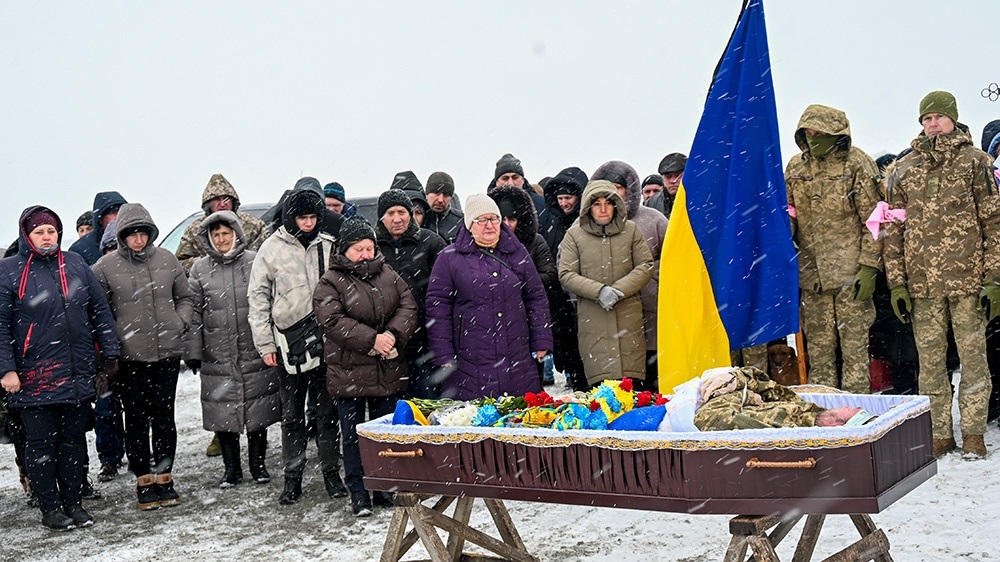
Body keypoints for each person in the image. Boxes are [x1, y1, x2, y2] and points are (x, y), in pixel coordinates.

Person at [884, 91, 999, 459]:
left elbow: (994, 223)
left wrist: (994, 279)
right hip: (923, 285)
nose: (932, 124)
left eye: (938, 117)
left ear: (953, 118)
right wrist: (897, 282)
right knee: (930, 364)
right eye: (926, 118)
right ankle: (939, 433)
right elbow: (892, 230)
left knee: (973, 360)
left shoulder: (976, 163)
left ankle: (974, 433)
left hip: (968, 280)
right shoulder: (904, 169)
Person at [0, 206, 119, 530]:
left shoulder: (75, 263)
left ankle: (74, 504)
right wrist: (6, 370)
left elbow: (99, 311)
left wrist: (109, 354)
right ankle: (50, 508)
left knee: (73, 442)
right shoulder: (10, 270)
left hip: (76, 372)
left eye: (51, 231)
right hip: (32, 377)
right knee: (40, 446)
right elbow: (0, 326)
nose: (46, 237)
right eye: (39, 232)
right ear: (27, 235)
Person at [92, 203, 195, 510]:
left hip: (165, 354)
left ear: (151, 233)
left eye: (143, 233)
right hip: (129, 358)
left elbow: (186, 296)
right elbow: (98, 313)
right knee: (136, 419)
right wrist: (112, 344)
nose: (138, 240)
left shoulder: (167, 259)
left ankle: (165, 477)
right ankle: (144, 480)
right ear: (121, 236)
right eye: (132, 234)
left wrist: (180, 322)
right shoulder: (105, 267)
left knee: (164, 417)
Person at [314, 216, 418, 517]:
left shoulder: (387, 273)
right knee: (354, 435)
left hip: (386, 367)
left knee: (384, 432)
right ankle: (358, 493)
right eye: (359, 249)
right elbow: (331, 320)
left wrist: (392, 336)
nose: (365, 254)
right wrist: (372, 340)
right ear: (344, 250)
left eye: (369, 247)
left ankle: (385, 487)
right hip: (349, 371)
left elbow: (408, 305)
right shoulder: (329, 281)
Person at [248, 188, 346, 504]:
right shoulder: (270, 250)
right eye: (302, 217)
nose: (308, 222)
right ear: (291, 217)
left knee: (327, 413)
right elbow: (258, 299)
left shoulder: (329, 245)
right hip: (286, 345)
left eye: (313, 216)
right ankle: (293, 479)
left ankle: (332, 474)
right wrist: (265, 344)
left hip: (326, 342)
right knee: (292, 416)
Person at [785, 105, 882, 393]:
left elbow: (875, 219)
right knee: (819, 353)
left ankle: (856, 415)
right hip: (812, 276)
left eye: (820, 134)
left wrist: (870, 266)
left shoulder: (857, 164)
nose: (814, 139)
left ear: (836, 134)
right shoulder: (795, 167)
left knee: (854, 351)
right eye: (809, 133)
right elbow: (789, 212)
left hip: (850, 275)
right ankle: (825, 418)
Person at [185, 211, 281, 488]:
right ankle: (231, 470)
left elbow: (267, 301)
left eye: (226, 233)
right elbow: (193, 313)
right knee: (222, 413)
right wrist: (193, 350)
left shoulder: (254, 262)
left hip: (252, 347)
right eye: (215, 235)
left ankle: (258, 465)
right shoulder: (200, 269)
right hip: (218, 352)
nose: (221, 239)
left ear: (236, 234)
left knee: (258, 410)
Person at [426, 194, 553, 400]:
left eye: (494, 218)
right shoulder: (449, 258)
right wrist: (443, 352)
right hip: (469, 357)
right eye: (481, 220)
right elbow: (438, 307)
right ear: (469, 225)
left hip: (517, 355)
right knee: (475, 422)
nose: (489, 225)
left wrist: (541, 340)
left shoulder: (518, 252)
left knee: (517, 419)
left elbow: (536, 297)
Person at [558, 180, 654, 387]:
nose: (603, 209)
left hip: (629, 319)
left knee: (633, 388)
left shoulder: (631, 231)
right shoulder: (574, 235)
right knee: (600, 392)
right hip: (594, 319)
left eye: (608, 203)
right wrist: (598, 291)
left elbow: (645, 265)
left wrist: (619, 290)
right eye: (596, 204)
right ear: (587, 208)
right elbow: (566, 273)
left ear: (616, 205)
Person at [591, 161, 668, 392]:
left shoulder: (653, 220)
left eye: (618, 186)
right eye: (607, 186)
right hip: (605, 319)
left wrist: (648, 277)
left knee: (650, 388)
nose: (613, 193)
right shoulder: (582, 225)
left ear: (629, 189)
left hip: (649, 317)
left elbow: (670, 261)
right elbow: (568, 268)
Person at [374, 189, 446, 398]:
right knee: (393, 411)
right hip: (387, 343)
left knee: (426, 404)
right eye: (390, 213)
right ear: (381, 218)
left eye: (402, 212)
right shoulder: (372, 247)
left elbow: (445, 290)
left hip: (425, 341)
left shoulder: (431, 242)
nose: (397, 218)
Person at [488, 184, 558, 386]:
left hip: (525, 320)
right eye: (502, 219)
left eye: (512, 219)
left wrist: (517, 285)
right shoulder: (484, 248)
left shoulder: (535, 242)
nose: (507, 224)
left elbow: (550, 274)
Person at [693, 367, 874, 431]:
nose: (844, 404)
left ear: (837, 426)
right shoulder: (809, 410)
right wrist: (737, 379)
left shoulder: (786, 427)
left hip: (692, 408)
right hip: (720, 388)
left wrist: (745, 395)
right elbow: (770, 387)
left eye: (849, 410)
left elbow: (708, 419)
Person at [539, 167, 589, 391]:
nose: (564, 203)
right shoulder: (551, 223)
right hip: (560, 300)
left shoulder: (586, 223)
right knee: (567, 348)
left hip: (584, 296)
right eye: (560, 198)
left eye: (568, 198)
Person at [175, 173, 272, 273]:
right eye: (216, 199)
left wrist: (243, 262)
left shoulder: (253, 225)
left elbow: (269, 256)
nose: (222, 204)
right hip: (210, 285)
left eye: (226, 199)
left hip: (246, 282)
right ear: (208, 203)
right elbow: (179, 264)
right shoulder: (194, 230)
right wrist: (207, 263)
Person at [68, 191, 127, 266]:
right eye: (112, 212)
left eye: (121, 210)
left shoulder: (137, 238)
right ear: (100, 218)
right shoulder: (80, 249)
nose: (118, 215)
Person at [492, 153, 548, 223]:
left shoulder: (541, 204)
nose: (510, 183)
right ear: (497, 182)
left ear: (523, 180)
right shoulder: (487, 206)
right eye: (505, 178)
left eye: (515, 177)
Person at [418, 171, 464, 243]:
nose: (440, 200)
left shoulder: (462, 222)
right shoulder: (417, 218)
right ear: (426, 194)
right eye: (436, 193)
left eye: (446, 195)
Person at [645, 153, 686, 218]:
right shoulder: (652, 203)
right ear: (663, 179)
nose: (673, 181)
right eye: (668, 177)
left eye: (678, 176)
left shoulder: (702, 198)